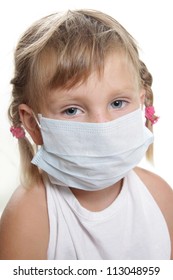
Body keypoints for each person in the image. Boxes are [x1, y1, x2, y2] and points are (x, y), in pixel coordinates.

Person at [0, 9, 172, 260]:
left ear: (141, 103)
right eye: (72, 110)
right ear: (34, 124)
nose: (101, 126)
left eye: (117, 103)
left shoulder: (160, 197)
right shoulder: (29, 216)